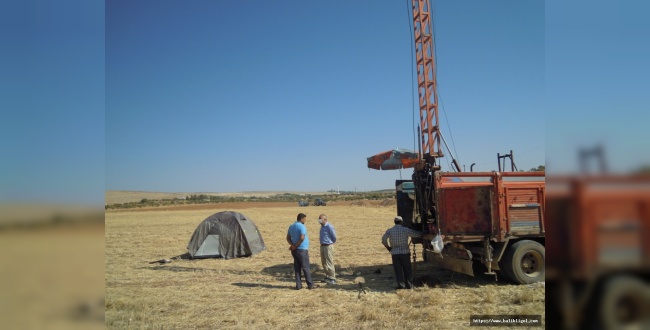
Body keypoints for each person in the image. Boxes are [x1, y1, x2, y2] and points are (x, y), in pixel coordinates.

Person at [382, 216, 422, 290]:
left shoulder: (390, 231)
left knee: (398, 270)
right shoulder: (405, 230)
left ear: (394, 222)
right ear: (401, 222)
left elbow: (383, 240)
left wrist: (389, 248)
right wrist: (423, 232)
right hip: (405, 253)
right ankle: (409, 285)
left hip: (395, 254)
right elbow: (417, 234)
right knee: (407, 269)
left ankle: (401, 286)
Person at [287, 213, 316, 290]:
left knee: (297, 268)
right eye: (305, 219)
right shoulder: (302, 226)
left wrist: (292, 246)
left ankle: (298, 285)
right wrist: (296, 245)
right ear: (302, 219)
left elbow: (288, 238)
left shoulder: (291, 226)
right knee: (306, 267)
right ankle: (310, 284)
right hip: (302, 249)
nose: (305, 221)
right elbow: (302, 238)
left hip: (294, 250)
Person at [318, 214, 337, 284]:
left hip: (328, 246)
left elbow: (334, 237)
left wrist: (330, 243)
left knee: (329, 262)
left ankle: (332, 278)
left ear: (325, 219)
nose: (319, 220)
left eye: (320, 219)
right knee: (324, 263)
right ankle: (328, 276)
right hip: (322, 246)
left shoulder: (329, 226)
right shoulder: (322, 227)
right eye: (319, 219)